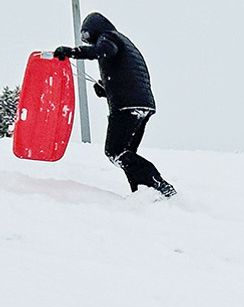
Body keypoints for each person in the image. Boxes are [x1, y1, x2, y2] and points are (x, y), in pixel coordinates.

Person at [53, 12, 176, 198]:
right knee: (127, 153)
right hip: (142, 105)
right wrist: (106, 88)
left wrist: (72, 52)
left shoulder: (108, 37)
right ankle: (144, 193)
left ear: (93, 29)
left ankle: (158, 185)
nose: (89, 42)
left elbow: (103, 51)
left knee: (115, 151)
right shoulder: (123, 41)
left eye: (87, 37)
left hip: (127, 106)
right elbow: (129, 74)